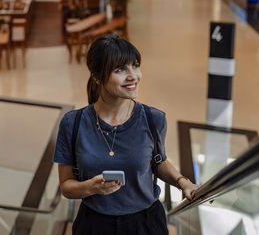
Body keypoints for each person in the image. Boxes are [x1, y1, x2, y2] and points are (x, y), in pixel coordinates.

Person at [54, 34, 198, 234]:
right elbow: (66, 186)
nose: (133, 76)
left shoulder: (153, 119)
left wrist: (183, 182)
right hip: (94, 225)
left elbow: (158, 161)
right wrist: (92, 188)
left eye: (135, 66)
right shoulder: (73, 124)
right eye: (120, 69)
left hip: (145, 224)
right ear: (96, 77)